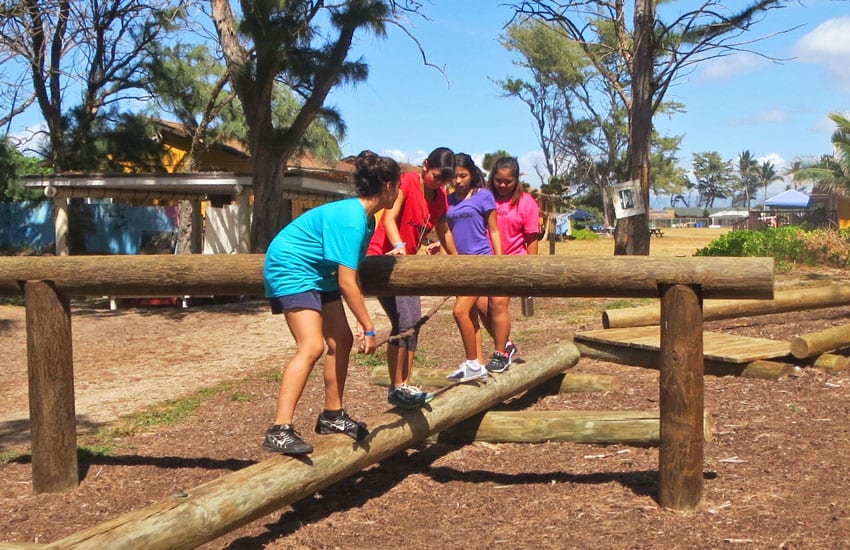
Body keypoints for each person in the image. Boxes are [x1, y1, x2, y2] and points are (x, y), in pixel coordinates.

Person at [262, 151, 401, 455]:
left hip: (319, 271)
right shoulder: (352, 219)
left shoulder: (366, 221)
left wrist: (362, 325)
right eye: (398, 186)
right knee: (311, 346)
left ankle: (332, 415)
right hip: (293, 266)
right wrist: (369, 326)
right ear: (388, 186)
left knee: (341, 339)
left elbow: (349, 273)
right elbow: (347, 283)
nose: (399, 192)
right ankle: (279, 429)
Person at [367, 147, 455, 408]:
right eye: (436, 176)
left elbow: (444, 230)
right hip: (384, 257)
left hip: (408, 265)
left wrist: (457, 261)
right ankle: (397, 387)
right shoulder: (407, 182)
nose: (439, 183)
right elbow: (390, 219)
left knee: (413, 324)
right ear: (426, 165)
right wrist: (399, 245)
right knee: (404, 323)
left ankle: (405, 384)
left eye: (444, 180)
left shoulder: (440, 197)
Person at [477, 156, 539, 374]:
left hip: (513, 262)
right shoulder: (484, 198)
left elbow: (532, 239)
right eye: (498, 180)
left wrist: (530, 271)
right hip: (486, 260)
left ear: (516, 180)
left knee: (497, 304)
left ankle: (500, 354)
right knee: (480, 306)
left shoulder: (526, 203)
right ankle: (507, 344)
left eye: (507, 181)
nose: (502, 185)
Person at [444, 153, 502, 382]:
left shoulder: (484, 196)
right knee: (471, 314)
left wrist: (499, 260)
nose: (458, 181)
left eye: (463, 176)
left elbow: (494, 229)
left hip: (480, 261)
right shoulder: (447, 201)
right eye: (454, 177)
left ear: (472, 173)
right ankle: (477, 364)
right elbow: (450, 230)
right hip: (459, 264)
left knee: (459, 311)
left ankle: (474, 363)